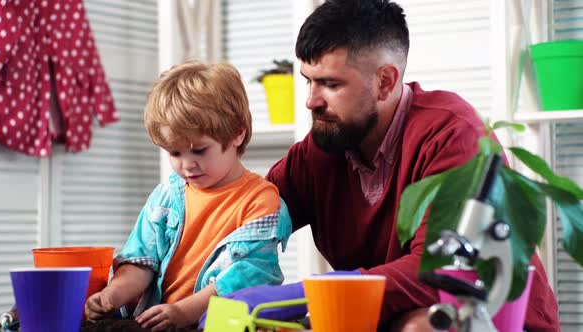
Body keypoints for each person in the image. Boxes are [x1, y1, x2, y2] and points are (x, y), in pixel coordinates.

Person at [202, 0, 561, 331]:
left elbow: (439, 272)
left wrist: (308, 294)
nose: (311, 101)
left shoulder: (453, 134)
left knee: (423, 326)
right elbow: (249, 219)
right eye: (309, 81)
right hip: (384, 318)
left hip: (482, 320)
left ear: (385, 81)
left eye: (331, 84)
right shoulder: (323, 147)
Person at [84, 60, 292, 331]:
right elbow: (140, 262)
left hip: (220, 324)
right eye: (174, 152)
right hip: (159, 321)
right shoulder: (167, 197)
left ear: (237, 133)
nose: (187, 165)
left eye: (199, 150)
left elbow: (247, 279)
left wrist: (183, 312)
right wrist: (111, 295)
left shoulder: (260, 200)